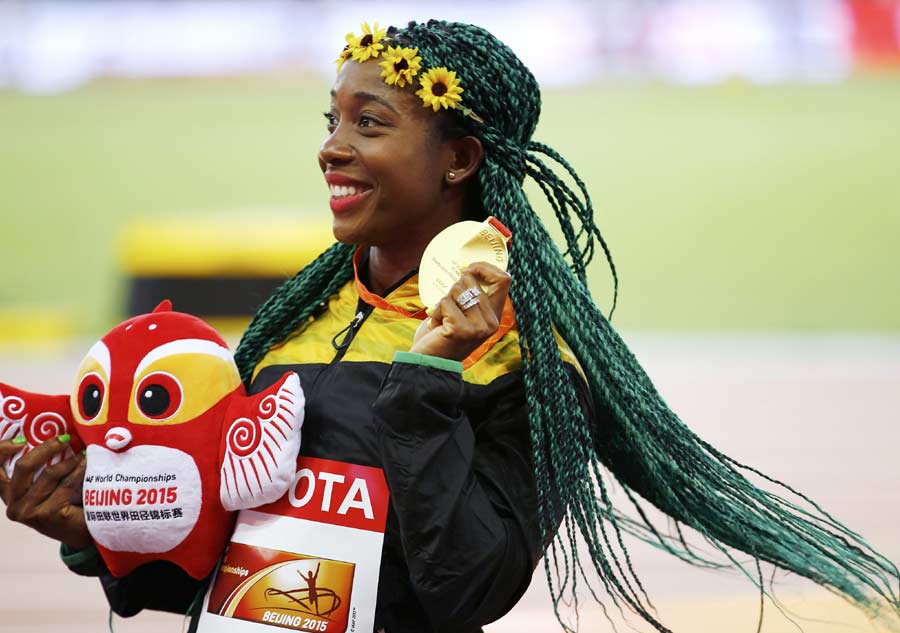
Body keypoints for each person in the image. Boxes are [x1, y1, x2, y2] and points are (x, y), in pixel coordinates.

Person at [1, 18, 899, 633]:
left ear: (459, 159)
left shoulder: (534, 361)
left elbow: (469, 585)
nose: (331, 146)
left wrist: (427, 381)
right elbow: (221, 562)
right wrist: (91, 531)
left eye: (370, 123)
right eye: (332, 119)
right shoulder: (286, 329)